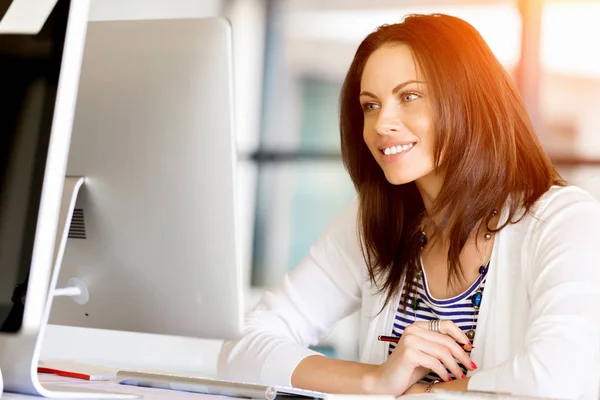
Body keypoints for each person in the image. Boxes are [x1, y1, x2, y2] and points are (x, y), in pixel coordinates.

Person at [218, 13, 600, 399]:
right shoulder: (374, 221)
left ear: (468, 100)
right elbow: (242, 348)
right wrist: (377, 380)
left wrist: (429, 395)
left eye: (409, 96)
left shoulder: (565, 221)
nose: (382, 123)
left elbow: (560, 378)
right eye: (370, 105)